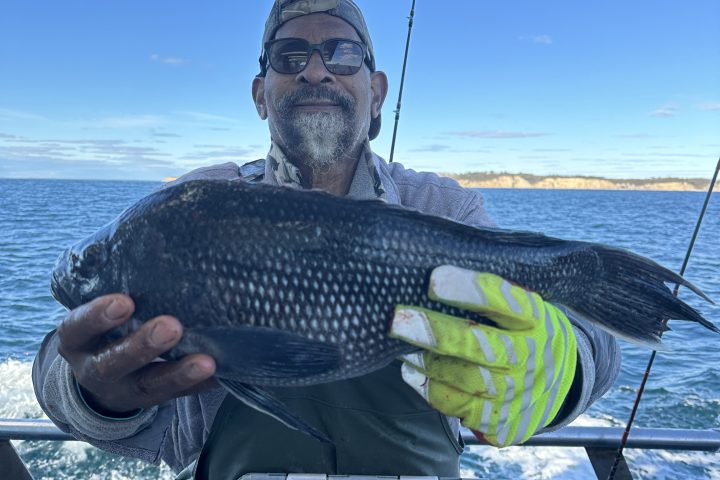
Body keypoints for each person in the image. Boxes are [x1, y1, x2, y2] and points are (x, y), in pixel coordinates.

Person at [33, 1, 621, 478]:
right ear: (261, 94)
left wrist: (566, 369)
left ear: (377, 90)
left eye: (343, 54)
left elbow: (591, 332)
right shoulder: (194, 202)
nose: (316, 70)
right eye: (290, 56)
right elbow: (57, 377)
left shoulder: (442, 207)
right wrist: (97, 390)